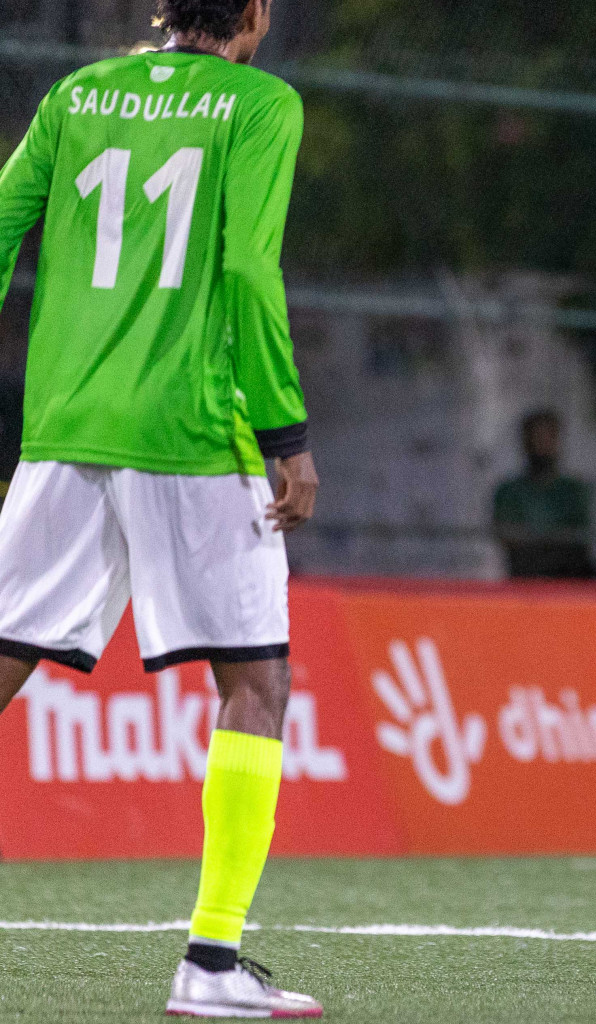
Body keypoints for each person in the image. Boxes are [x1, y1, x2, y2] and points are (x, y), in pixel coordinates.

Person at [0, 1, 321, 1016]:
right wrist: (285, 434)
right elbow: (243, 269)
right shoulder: (261, 104)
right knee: (255, 686)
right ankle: (211, 965)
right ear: (256, 13)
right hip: (193, 431)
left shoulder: (77, 93)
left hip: (64, 425)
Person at [491, 409, 596, 578]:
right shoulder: (508, 491)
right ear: (525, 442)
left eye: (549, 438)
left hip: (569, 578)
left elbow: (580, 537)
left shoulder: (574, 489)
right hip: (525, 577)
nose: (542, 445)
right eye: (537, 438)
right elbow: (508, 537)